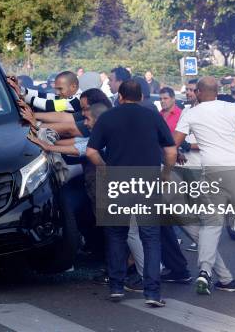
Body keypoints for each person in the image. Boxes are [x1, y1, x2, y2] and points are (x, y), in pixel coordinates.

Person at [86, 80, 177, 306]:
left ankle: (116, 287)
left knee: (117, 235)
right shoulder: (153, 116)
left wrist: (106, 169)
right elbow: (171, 150)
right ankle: (152, 293)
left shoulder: (108, 117)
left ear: (120, 97)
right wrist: (165, 174)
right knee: (151, 237)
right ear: (141, 97)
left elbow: (90, 152)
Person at [173, 77, 235, 295]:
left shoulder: (191, 113)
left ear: (201, 92)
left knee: (211, 223)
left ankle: (205, 270)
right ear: (217, 91)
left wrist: (175, 154)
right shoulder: (233, 108)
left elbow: (173, 142)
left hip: (212, 171)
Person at [8, 71, 82, 113]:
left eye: (60, 89)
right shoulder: (69, 95)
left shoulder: (76, 100)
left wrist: (23, 95)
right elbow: (43, 95)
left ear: (73, 87)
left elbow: (48, 105)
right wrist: (20, 88)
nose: (57, 92)